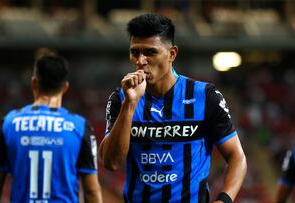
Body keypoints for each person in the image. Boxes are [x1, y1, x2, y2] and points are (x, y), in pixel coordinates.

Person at [99, 13, 247, 203]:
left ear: (172, 54)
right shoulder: (121, 99)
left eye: (150, 52)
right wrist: (130, 105)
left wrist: (224, 200)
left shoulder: (205, 96)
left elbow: (237, 157)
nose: (140, 61)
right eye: (135, 52)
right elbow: (111, 163)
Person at [0, 53, 103, 203]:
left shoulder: (9, 123)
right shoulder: (80, 127)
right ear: (65, 87)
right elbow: (91, 190)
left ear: (34, 83)